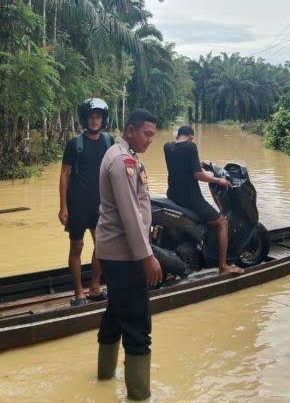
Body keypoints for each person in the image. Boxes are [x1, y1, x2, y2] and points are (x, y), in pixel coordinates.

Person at [95, 109, 162, 401]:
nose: (150, 140)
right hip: (125, 254)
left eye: (153, 136)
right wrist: (147, 256)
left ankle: (104, 377)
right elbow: (130, 214)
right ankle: (139, 394)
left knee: (115, 312)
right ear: (131, 130)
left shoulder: (125, 154)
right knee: (137, 323)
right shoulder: (122, 161)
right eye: (147, 134)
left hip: (116, 251)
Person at [164, 126, 244, 275]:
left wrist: (201, 162)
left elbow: (183, 161)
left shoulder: (168, 147)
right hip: (191, 198)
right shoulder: (191, 146)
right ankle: (223, 266)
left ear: (179, 135)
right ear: (191, 137)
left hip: (173, 195)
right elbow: (198, 175)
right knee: (222, 223)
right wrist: (218, 180)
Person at [59, 98, 112, 306]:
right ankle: (79, 292)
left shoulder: (109, 142)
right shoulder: (74, 144)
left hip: (101, 204)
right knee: (77, 246)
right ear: (85, 120)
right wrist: (63, 207)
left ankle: (95, 287)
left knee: (102, 245)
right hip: (78, 204)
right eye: (91, 117)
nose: (94, 120)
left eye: (98, 117)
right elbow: (64, 175)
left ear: (103, 119)